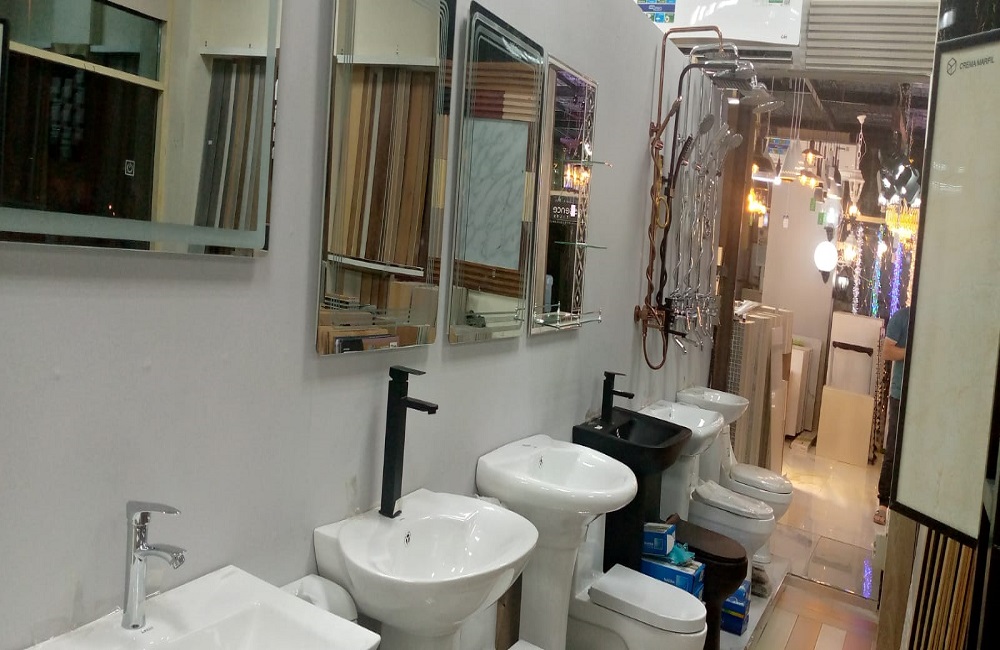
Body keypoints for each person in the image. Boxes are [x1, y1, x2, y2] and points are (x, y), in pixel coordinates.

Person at [875, 306, 910, 525]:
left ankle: (904, 504)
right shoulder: (902, 317)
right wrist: (911, 351)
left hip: (921, 397)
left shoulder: (931, 320)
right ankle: (883, 502)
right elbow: (887, 351)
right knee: (893, 448)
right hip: (899, 394)